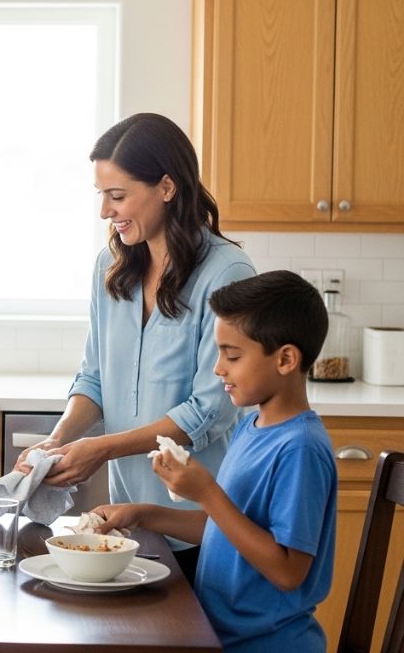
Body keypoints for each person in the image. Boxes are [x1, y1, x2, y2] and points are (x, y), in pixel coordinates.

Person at [14, 113, 256, 583]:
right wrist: (60, 437)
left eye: (117, 195)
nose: (105, 211)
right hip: (131, 522)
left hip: (200, 523)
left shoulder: (227, 273)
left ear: (167, 187)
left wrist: (100, 449)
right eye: (101, 195)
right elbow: (95, 378)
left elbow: (209, 410)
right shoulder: (111, 266)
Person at [94, 270, 337, 652]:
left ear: (286, 359)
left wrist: (206, 491)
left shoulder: (300, 448)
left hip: (267, 644)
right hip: (215, 634)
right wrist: (142, 515)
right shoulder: (250, 427)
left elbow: (288, 571)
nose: (218, 367)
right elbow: (227, 528)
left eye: (232, 355)